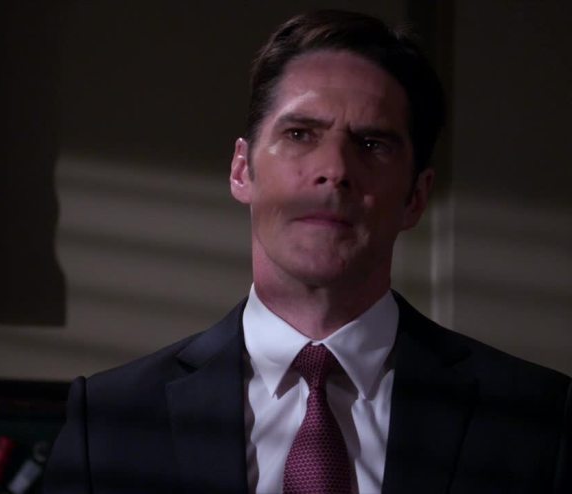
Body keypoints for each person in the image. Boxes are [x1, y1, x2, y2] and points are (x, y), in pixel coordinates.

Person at [43, 10, 571, 494]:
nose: (334, 170)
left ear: (416, 196)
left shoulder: (538, 421)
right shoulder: (111, 421)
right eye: (299, 134)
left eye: (372, 144)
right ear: (241, 170)